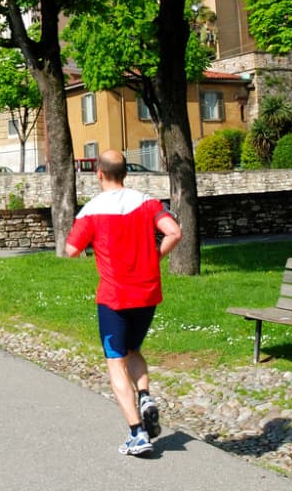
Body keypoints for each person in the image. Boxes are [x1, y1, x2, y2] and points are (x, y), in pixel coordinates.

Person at [64, 149, 182, 457]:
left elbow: (71, 250)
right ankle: (144, 396)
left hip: (115, 296)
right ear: (126, 172)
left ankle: (137, 433)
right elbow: (174, 232)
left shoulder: (91, 210)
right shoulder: (147, 202)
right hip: (147, 293)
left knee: (116, 361)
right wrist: (154, 257)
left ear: (99, 174)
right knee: (134, 350)